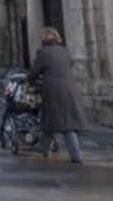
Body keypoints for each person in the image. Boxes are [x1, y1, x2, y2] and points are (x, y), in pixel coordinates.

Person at [25, 26, 87, 165]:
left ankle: (76, 155)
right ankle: (43, 149)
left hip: (52, 90)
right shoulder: (64, 51)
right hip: (69, 89)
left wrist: (28, 82)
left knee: (64, 124)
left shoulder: (43, 52)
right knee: (53, 119)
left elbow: (35, 70)